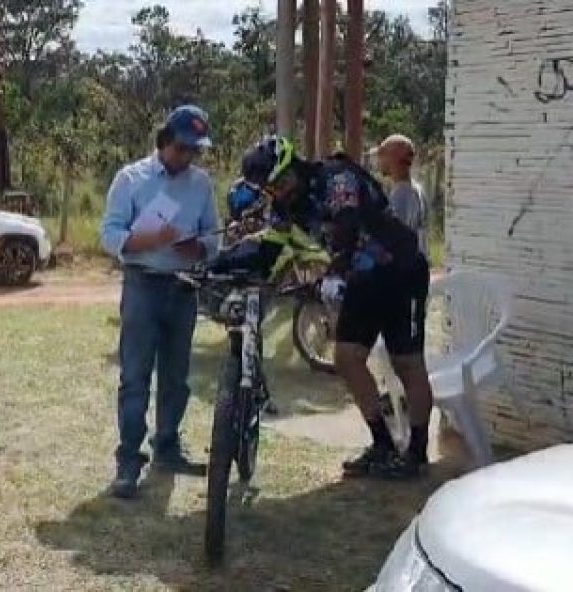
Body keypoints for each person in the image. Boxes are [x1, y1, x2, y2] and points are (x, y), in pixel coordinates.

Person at [228, 136, 433, 479]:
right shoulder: (286, 203)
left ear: (294, 165)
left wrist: (334, 271)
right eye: (270, 188)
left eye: (280, 181)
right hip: (363, 279)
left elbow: (347, 224)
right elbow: (269, 248)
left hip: (401, 270)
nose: (278, 191)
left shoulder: (335, 177)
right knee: (347, 359)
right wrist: (223, 264)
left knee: (406, 362)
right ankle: (382, 445)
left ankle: (417, 454)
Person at [101, 104, 221, 498]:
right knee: (135, 376)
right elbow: (110, 235)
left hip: (184, 286)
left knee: (176, 375)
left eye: (195, 151)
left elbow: (214, 240)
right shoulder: (130, 179)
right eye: (183, 148)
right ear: (165, 141)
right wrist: (148, 240)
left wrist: (197, 248)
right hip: (143, 284)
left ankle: (167, 444)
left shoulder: (201, 185)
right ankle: (128, 461)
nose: (189, 157)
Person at [378, 134, 429, 258]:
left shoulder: (401, 193)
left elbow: (395, 236)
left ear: (394, 157)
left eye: (382, 153)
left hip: (405, 267)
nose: (379, 159)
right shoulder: (417, 189)